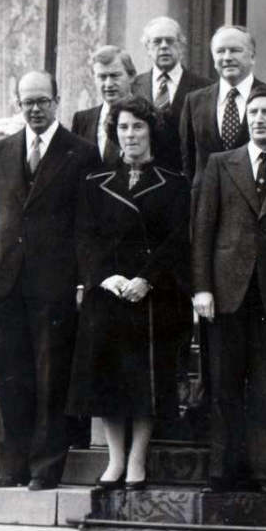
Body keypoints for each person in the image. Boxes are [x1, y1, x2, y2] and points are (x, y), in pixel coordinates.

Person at [0, 70, 98, 490]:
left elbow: (87, 224)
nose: (35, 108)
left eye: (42, 100)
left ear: (57, 100)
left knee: (50, 375)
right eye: (27, 102)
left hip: (55, 282)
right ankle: (11, 467)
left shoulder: (80, 152)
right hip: (3, 279)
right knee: (10, 374)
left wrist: (83, 282)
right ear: (18, 104)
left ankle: (45, 469)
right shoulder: (2, 151)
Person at [192, 88, 266, 493]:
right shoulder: (221, 164)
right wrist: (202, 288)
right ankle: (222, 469)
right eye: (254, 112)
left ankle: (264, 470)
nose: (259, 119)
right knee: (224, 383)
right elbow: (204, 229)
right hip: (226, 290)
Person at [67, 96, 190, 491]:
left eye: (138, 126)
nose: (131, 134)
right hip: (109, 293)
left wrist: (146, 279)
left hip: (153, 295)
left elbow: (176, 239)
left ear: (151, 130)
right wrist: (105, 277)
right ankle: (115, 459)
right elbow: (84, 237)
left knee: (145, 380)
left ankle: (138, 458)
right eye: (123, 127)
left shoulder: (175, 182)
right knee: (108, 378)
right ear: (113, 133)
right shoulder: (95, 182)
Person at [180, 25, 266, 199]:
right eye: (220, 51)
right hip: (208, 202)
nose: (227, 57)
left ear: (253, 56)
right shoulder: (194, 101)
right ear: (213, 58)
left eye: (235, 50)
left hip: (259, 200)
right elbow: (188, 159)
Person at [132, 16, 212, 172]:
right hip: (145, 176)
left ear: (181, 47)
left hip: (185, 179)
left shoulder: (205, 88)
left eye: (170, 41)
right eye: (157, 42)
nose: (163, 47)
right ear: (147, 48)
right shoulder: (134, 86)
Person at [72, 45, 136, 167]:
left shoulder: (150, 116)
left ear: (131, 76)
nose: (108, 84)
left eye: (115, 76)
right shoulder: (81, 120)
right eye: (102, 77)